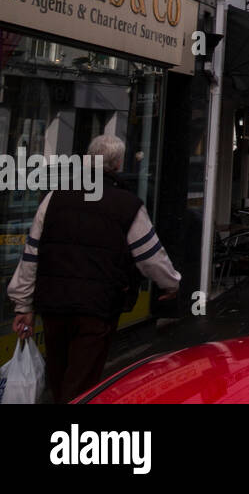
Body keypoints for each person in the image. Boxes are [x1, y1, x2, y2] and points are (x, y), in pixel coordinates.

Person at [7, 134, 181, 403]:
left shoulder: (54, 198)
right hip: (97, 307)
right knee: (82, 382)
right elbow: (150, 256)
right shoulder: (127, 205)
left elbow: (31, 254)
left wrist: (23, 305)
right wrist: (171, 284)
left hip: (53, 305)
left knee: (58, 374)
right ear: (119, 164)